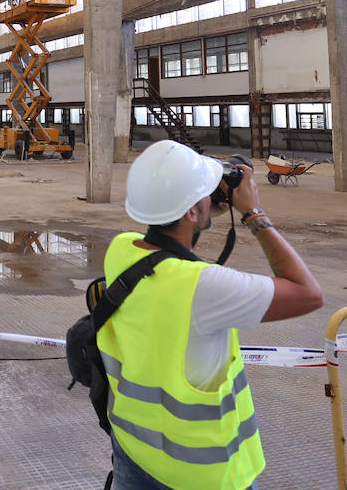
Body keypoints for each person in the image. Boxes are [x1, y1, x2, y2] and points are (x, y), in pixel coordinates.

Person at [99, 139, 323, 490]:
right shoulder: (203, 289)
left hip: (133, 450)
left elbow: (172, 246)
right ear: (190, 212)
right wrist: (252, 213)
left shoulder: (121, 250)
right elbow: (308, 293)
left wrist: (201, 206)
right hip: (201, 475)